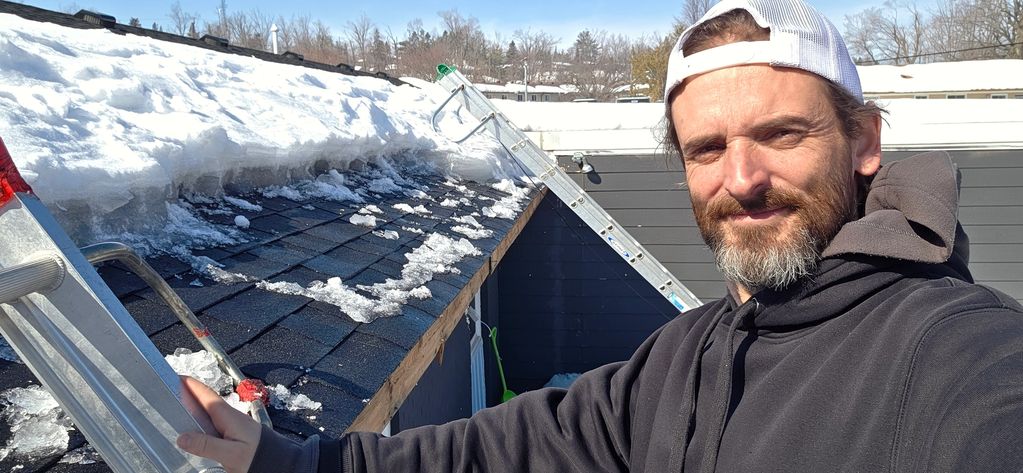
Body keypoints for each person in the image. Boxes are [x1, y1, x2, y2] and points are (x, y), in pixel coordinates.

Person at [178, 0, 1023, 471]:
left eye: (781, 134)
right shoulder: (689, 356)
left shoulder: (953, 351)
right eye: (705, 149)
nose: (741, 179)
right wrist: (293, 465)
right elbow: (510, 447)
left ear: (864, 141)